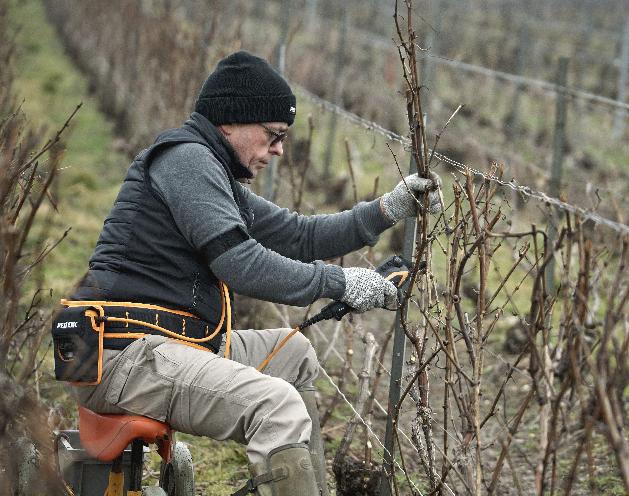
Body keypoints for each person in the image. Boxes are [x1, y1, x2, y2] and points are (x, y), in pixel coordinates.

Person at [67, 51, 441, 496]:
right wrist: (341, 283)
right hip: (123, 357)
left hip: (166, 344)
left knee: (295, 355)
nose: (279, 149)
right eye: (273, 135)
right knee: (276, 404)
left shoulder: (214, 173)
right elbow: (240, 263)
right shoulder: (186, 162)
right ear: (231, 120)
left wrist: (388, 209)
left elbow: (299, 235)